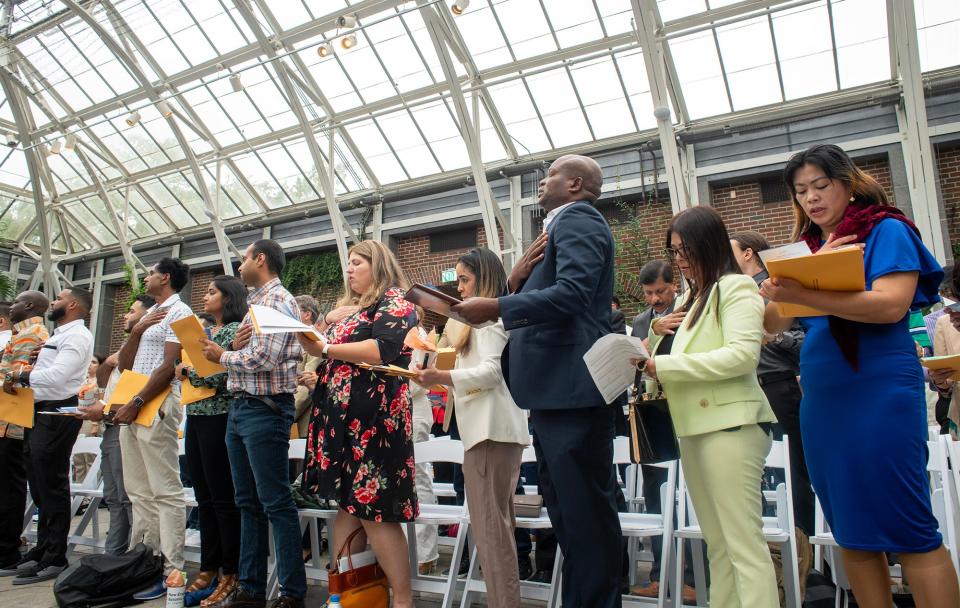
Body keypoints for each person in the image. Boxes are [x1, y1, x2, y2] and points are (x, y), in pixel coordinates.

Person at [761, 143, 959, 607]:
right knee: (851, 529)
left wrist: (809, 292)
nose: (811, 198)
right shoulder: (807, 249)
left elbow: (890, 306)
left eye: (820, 185)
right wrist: (780, 289)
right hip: (825, 396)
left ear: (847, 184)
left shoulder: (885, 229)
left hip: (880, 386)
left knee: (910, 526)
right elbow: (772, 326)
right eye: (801, 191)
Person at [452, 154, 623, 608]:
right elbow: (552, 296)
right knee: (567, 512)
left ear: (576, 184)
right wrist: (515, 283)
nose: (541, 182)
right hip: (552, 393)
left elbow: (574, 293)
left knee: (584, 516)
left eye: (551, 176)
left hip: (572, 391)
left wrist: (497, 307)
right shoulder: (557, 228)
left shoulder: (579, 220)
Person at [641, 206, 779, 607]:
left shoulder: (735, 288)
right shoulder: (692, 296)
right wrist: (652, 346)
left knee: (743, 546)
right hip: (697, 427)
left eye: (686, 250)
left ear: (709, 245)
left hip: (731, 426)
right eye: (675, 251)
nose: (680, 259)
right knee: (718, 545)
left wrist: (662, 365)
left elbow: (740, 356)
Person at [297, 240, 417, 608]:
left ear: (377, 266)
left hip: (373, 423)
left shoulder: (397, 301)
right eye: (348, 263)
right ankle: (347, 596)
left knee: (374, 510)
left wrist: (327, 349)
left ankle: (403, 600)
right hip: (343, 422)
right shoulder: (359, 308)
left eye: (356, 262)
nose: (349, 269)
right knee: (348, 509)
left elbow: (383, 350)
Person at [413, 248, 530, 607]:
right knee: (494, 531)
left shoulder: (490, 319)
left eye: (464, 280)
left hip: (490, 432)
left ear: (484, 278)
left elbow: (492, 373)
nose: (459, 288)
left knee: (492, 534)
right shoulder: (477, 322)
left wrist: (442, 375)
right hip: (487, 432)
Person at [200, 239, 307, 608]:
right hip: (243, 407)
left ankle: (292, 593)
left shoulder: (277, 300)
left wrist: (223, 354)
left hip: (265, 408)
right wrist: (232, 351)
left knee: (274, 502)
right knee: (247, 501)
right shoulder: (255, 304)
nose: (239, 264)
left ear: (260, 260)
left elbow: (264, 356)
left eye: (244, 257)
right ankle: (251, 588)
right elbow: (251, 353)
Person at [114, 258, 193, 600]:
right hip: (133, 400)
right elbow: (126, 363)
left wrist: (137, 401)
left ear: (165, 277)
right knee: (138, 489)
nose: (145, 278)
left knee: (165, 490)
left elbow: (169, 365)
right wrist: (136, 330)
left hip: (156, 403)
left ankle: (172, 570)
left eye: (149, 272)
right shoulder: (149, 314)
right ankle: (143, 560)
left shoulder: (179, 311)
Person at [4, 288, 95, 585]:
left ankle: (55, 556)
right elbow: (51, 370)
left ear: (71, 305)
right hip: (39, 409)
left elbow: (58, 378)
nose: (52, 302)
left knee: (52, 486)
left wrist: (20, 376)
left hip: (57, 413)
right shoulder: (60, 335)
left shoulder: (77, 336)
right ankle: (43, 549)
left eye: (58, 299)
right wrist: (37, 360)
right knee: (39, 485)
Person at [730, 231, 814, 540]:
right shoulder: (733, 291)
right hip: (745, 389)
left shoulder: (777, 285)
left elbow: (807, 337)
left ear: (749, 253)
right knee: (757, 472)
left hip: (778, 384)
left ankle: (803, 544)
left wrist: (776, 337)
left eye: (731, 252)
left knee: (792, 471)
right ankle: (771, 548)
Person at [627, 260, 696, 603]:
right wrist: (653, 330)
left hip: (685, 406)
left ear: (674, 287)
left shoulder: (689, 310)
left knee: (688, 493)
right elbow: (634, 360)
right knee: (655, 492)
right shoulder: (643, 320)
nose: (655, 298)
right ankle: (658, 573)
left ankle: (694, 576)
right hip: (652, 409)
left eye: (661, 292)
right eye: (649, 293)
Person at [177, 276, 247, 606]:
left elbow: (220, 373)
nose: (205, 297)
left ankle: (229, 569)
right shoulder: (209, 333)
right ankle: (209, 563)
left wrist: (188, 371)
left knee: (222, 496)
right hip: (197, 413)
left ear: (228, 297)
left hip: (221, 416)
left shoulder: (234, 332)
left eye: (212, 292)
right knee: (203, 494)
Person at [79, 294, 156, 556]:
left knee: (128, 495)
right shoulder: (123, 348)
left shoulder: (145, 350)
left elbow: (138, 386)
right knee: (112, 495)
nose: (125, 315)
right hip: (110, 426)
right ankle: (114, 552)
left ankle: (136, 554)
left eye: (132, 312)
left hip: (124, 424)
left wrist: (106, 410)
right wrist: (110, 362)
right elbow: (103, 381)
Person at [0, 292, 51, 578]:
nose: (12, 307)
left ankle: (7, 551)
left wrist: (6, 376)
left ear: (30, 306)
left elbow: (16, 375)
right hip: (6, 418)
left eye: (17, 302)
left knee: (10, 489)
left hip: (14, 420)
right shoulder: (21, 333)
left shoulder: (35, 333)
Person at [292, 295, 322, 440]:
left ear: (307, 314)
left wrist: (288, 414)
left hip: (305, 420)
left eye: (293, 310)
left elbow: (307, 380)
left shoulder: (314, 339)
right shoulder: (297, 338)